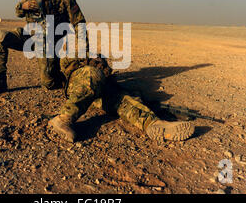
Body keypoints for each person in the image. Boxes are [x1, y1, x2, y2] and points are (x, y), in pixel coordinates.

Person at [48, 57, 195, 143]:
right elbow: (58, 72)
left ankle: (153, 123)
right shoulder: (62, 43)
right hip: (79, 81)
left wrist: (101, 64)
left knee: (123, 100)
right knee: (92, 73)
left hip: (102, 84)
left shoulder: (86, 44)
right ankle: (63, 118)